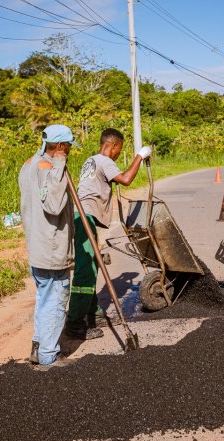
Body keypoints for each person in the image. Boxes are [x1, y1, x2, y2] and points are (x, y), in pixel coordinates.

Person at [67, 129, 152, 339]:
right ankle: (75, 324)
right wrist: (140, 156)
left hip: (80, 216)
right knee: (85, 271)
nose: (117, 154)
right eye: (118, 150)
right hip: (85, 218)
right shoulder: (104, 160)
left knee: (92, 265)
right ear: (112, 145)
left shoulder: (91, 160)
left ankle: (93, 314)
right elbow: (126, 179)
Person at [19, 124, 77, 368]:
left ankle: (38, 346)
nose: (71, 151)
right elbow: (53, 205)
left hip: (37, 245)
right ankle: (48, 358)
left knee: (44, 297)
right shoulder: (51, 167)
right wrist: (60, 166)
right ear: (61, 146)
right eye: (69, 147)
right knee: (55, 298)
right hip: (51, 248)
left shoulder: (29, 163)